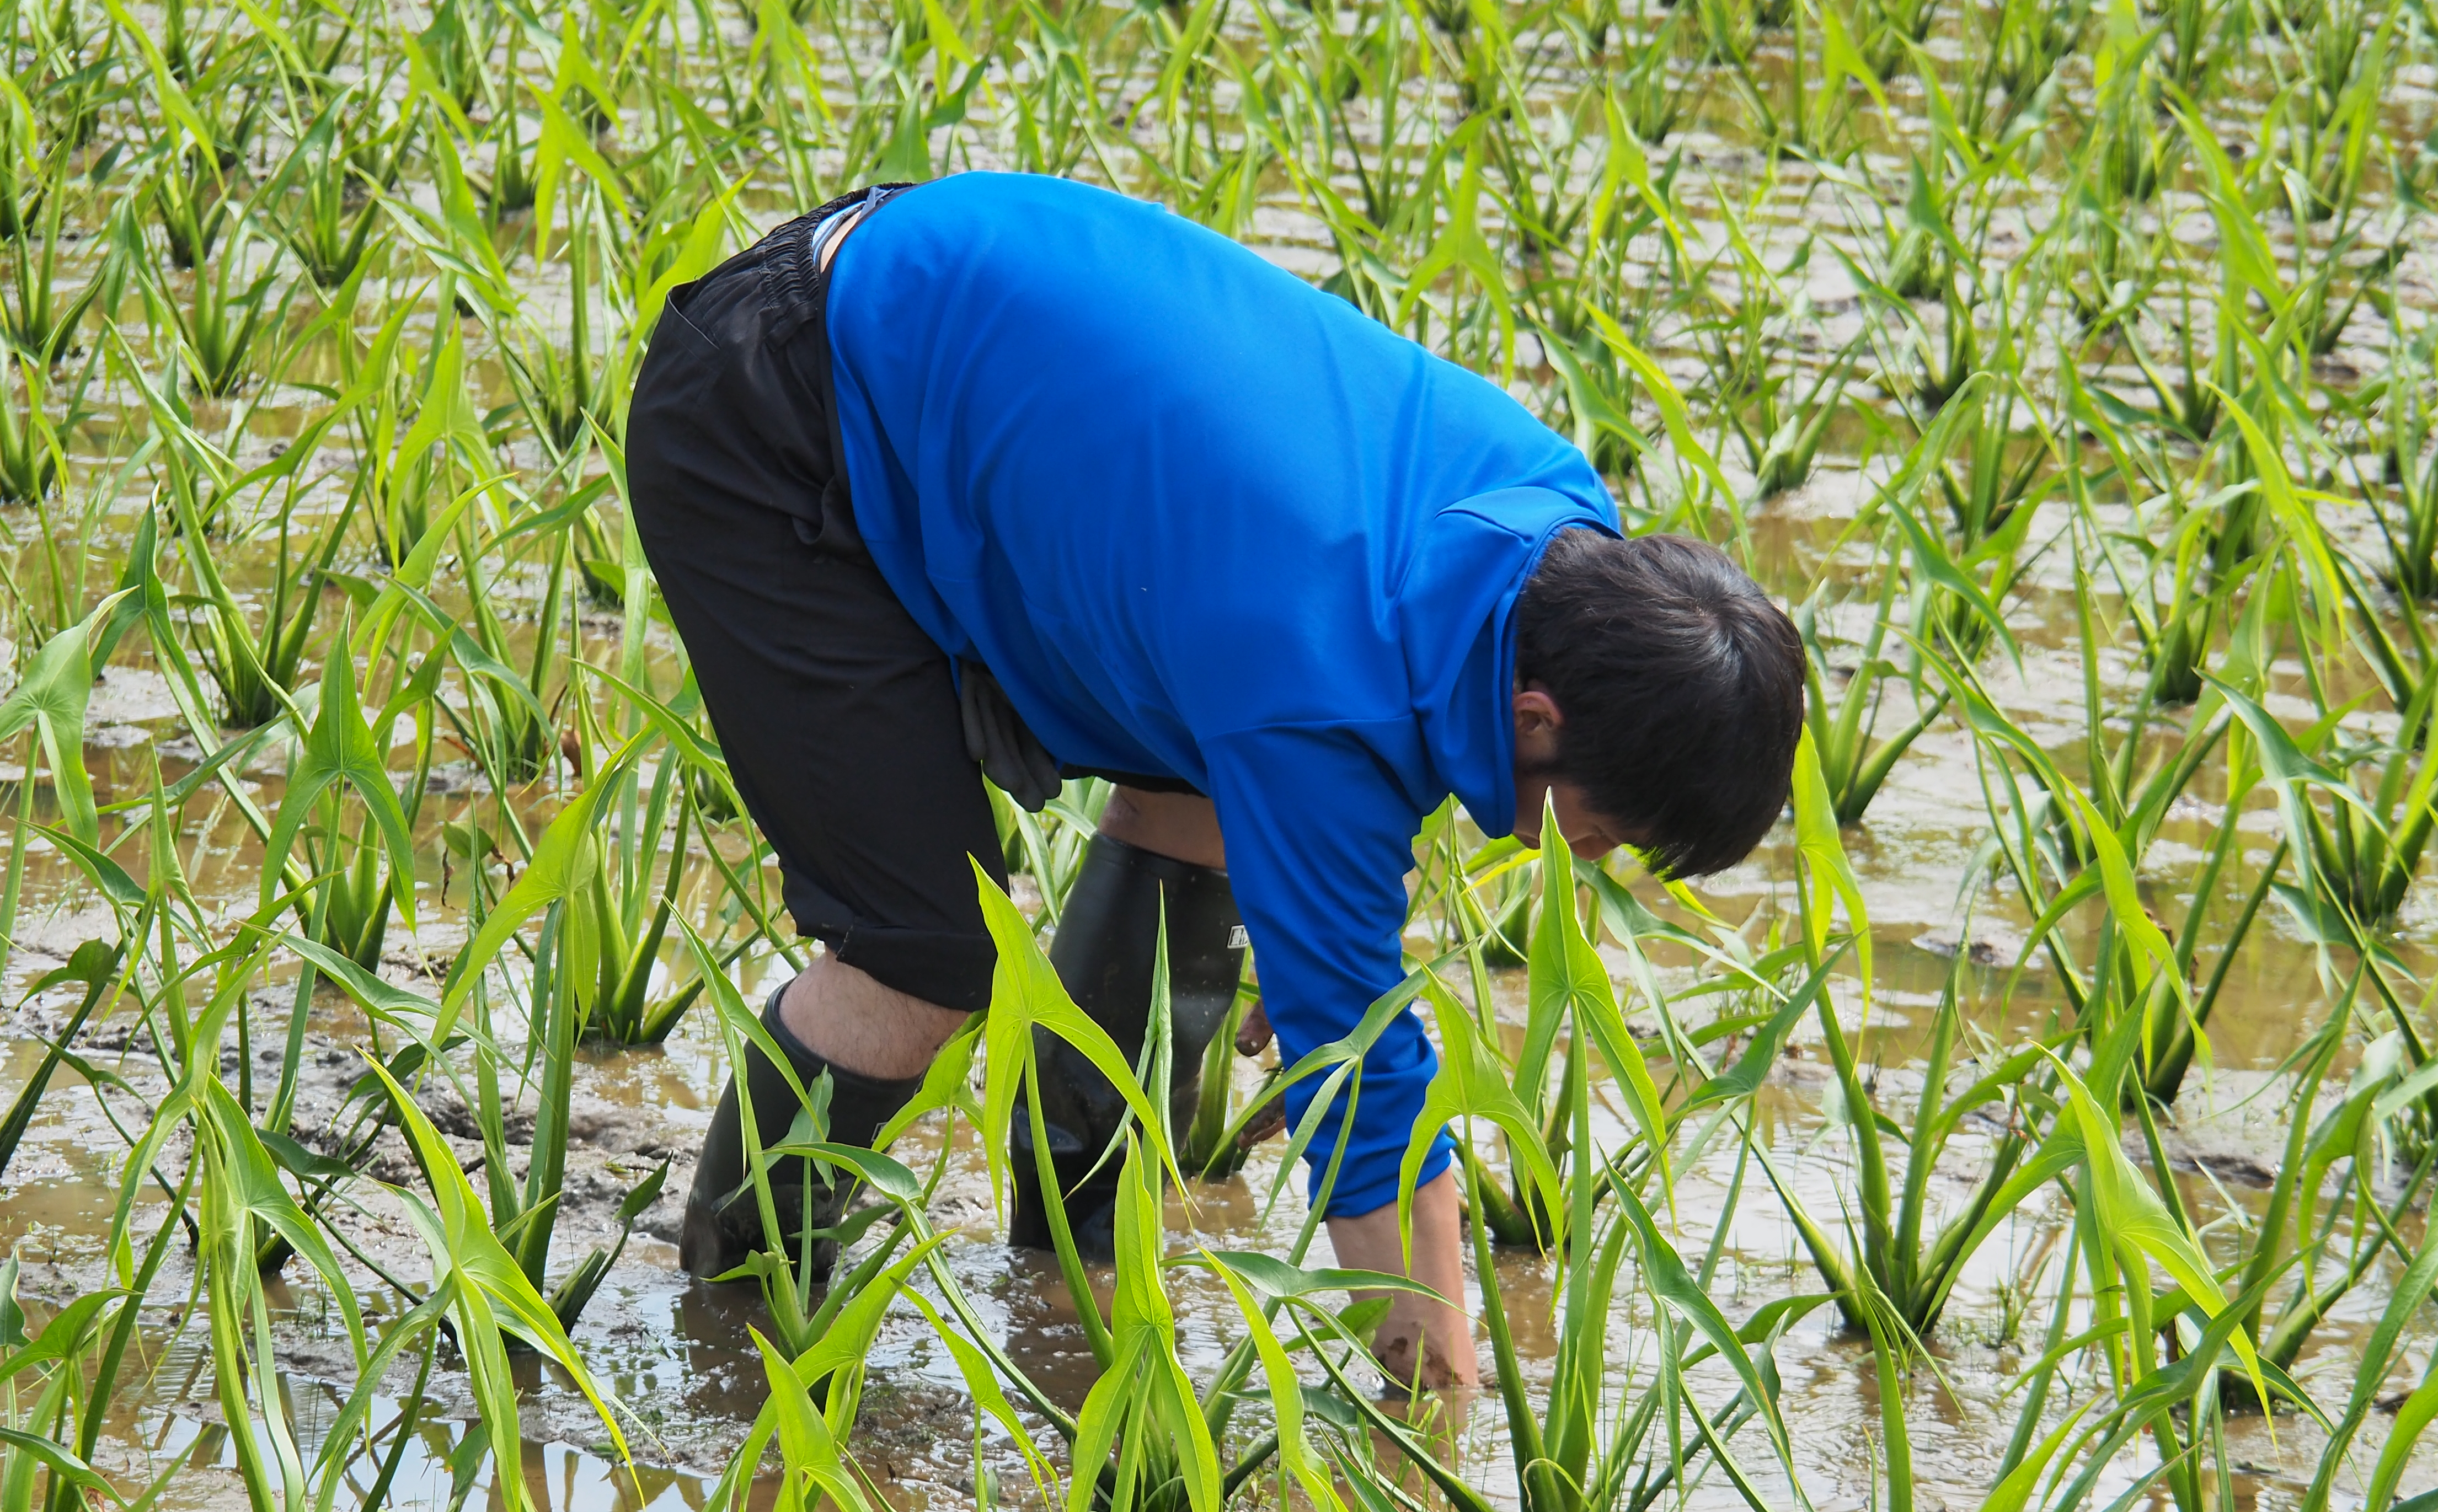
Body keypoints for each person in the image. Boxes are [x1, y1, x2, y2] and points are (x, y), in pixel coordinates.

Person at [624, 172, 1805, 1390]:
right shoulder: (1322, 675)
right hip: (774, 413)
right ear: (1537, 715)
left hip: (950, 321)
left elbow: (1351, 747)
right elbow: (1366, 1100)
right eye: (1598, 828)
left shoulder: (1558, 525)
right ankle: (733, 1312)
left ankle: (1065, 1258)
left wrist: (1321, 953)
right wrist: (1437, 1385)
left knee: (1206, 829)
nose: (1584, 857)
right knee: (921, 953)